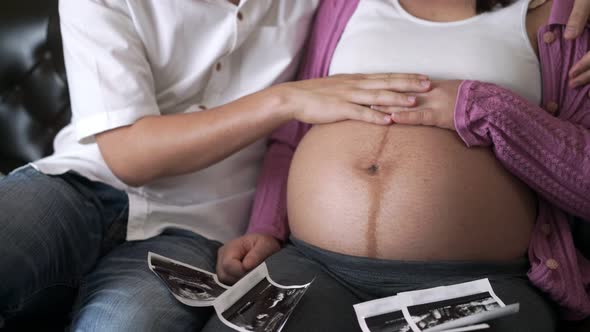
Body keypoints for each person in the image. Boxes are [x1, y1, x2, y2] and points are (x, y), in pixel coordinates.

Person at [0, 0, 441, 331]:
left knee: (125, 324)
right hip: (80, 182)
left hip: (199, 229)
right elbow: (129, 155)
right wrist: (283, 100)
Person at [212, 0, 590, 331]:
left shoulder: (567, 16)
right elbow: (292, 132)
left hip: (473, 282)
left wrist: (481, 107)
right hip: (314, 265)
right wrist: (266, 227)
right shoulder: (342, 5)